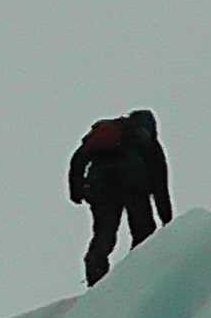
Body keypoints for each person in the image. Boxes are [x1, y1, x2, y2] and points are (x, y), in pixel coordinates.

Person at [68, 108, 172, 287]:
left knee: (104, 233)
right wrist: (166, 217)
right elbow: (159, 181)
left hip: (101, 188)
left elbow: (78, 159)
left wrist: (76, 190)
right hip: (133, 187)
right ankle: (137, 272)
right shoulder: (148, 143)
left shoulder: (109, 134)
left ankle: (95, 276)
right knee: (143, 230)